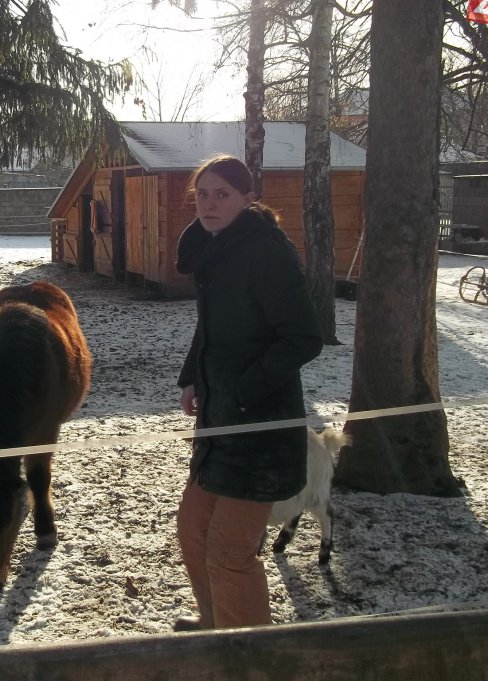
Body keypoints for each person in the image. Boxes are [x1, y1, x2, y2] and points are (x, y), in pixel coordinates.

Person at [173, 154, 323, 630]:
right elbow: (212, 328)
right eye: (202, 194)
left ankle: (251, 655)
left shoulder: (266, 253)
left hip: (261, 431)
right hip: (218, 426)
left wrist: (242, 392)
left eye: (222, 194)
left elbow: (304, 337)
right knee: (193, 532)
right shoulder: (214, 250)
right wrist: (193, 377)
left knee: (230, 552)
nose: (209, 204)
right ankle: (216, 627)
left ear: (247, 198)